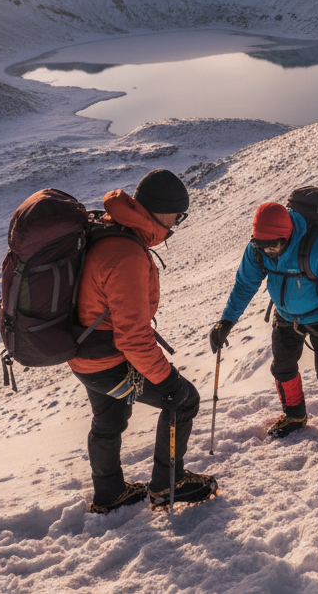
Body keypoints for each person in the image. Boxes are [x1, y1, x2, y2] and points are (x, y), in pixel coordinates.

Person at [71, 169, 215, 514]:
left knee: (108, 420)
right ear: (163, 211)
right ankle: (169, 486)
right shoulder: (126, 254)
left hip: (85, 354)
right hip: (108, 360)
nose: (177, 223)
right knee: (183, 400)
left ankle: (109, 493)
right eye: (178, 215)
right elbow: (133, 338)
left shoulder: (110, 228)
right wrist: (167, 382)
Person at [209, 202, 318, 438]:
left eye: (274, 246)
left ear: (287, 235)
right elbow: (245, 285)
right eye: (262, 246)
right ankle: (295, 415)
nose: (268, 251)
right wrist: (226, 322)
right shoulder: (257, 249)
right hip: (286, 315)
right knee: (282, 368)